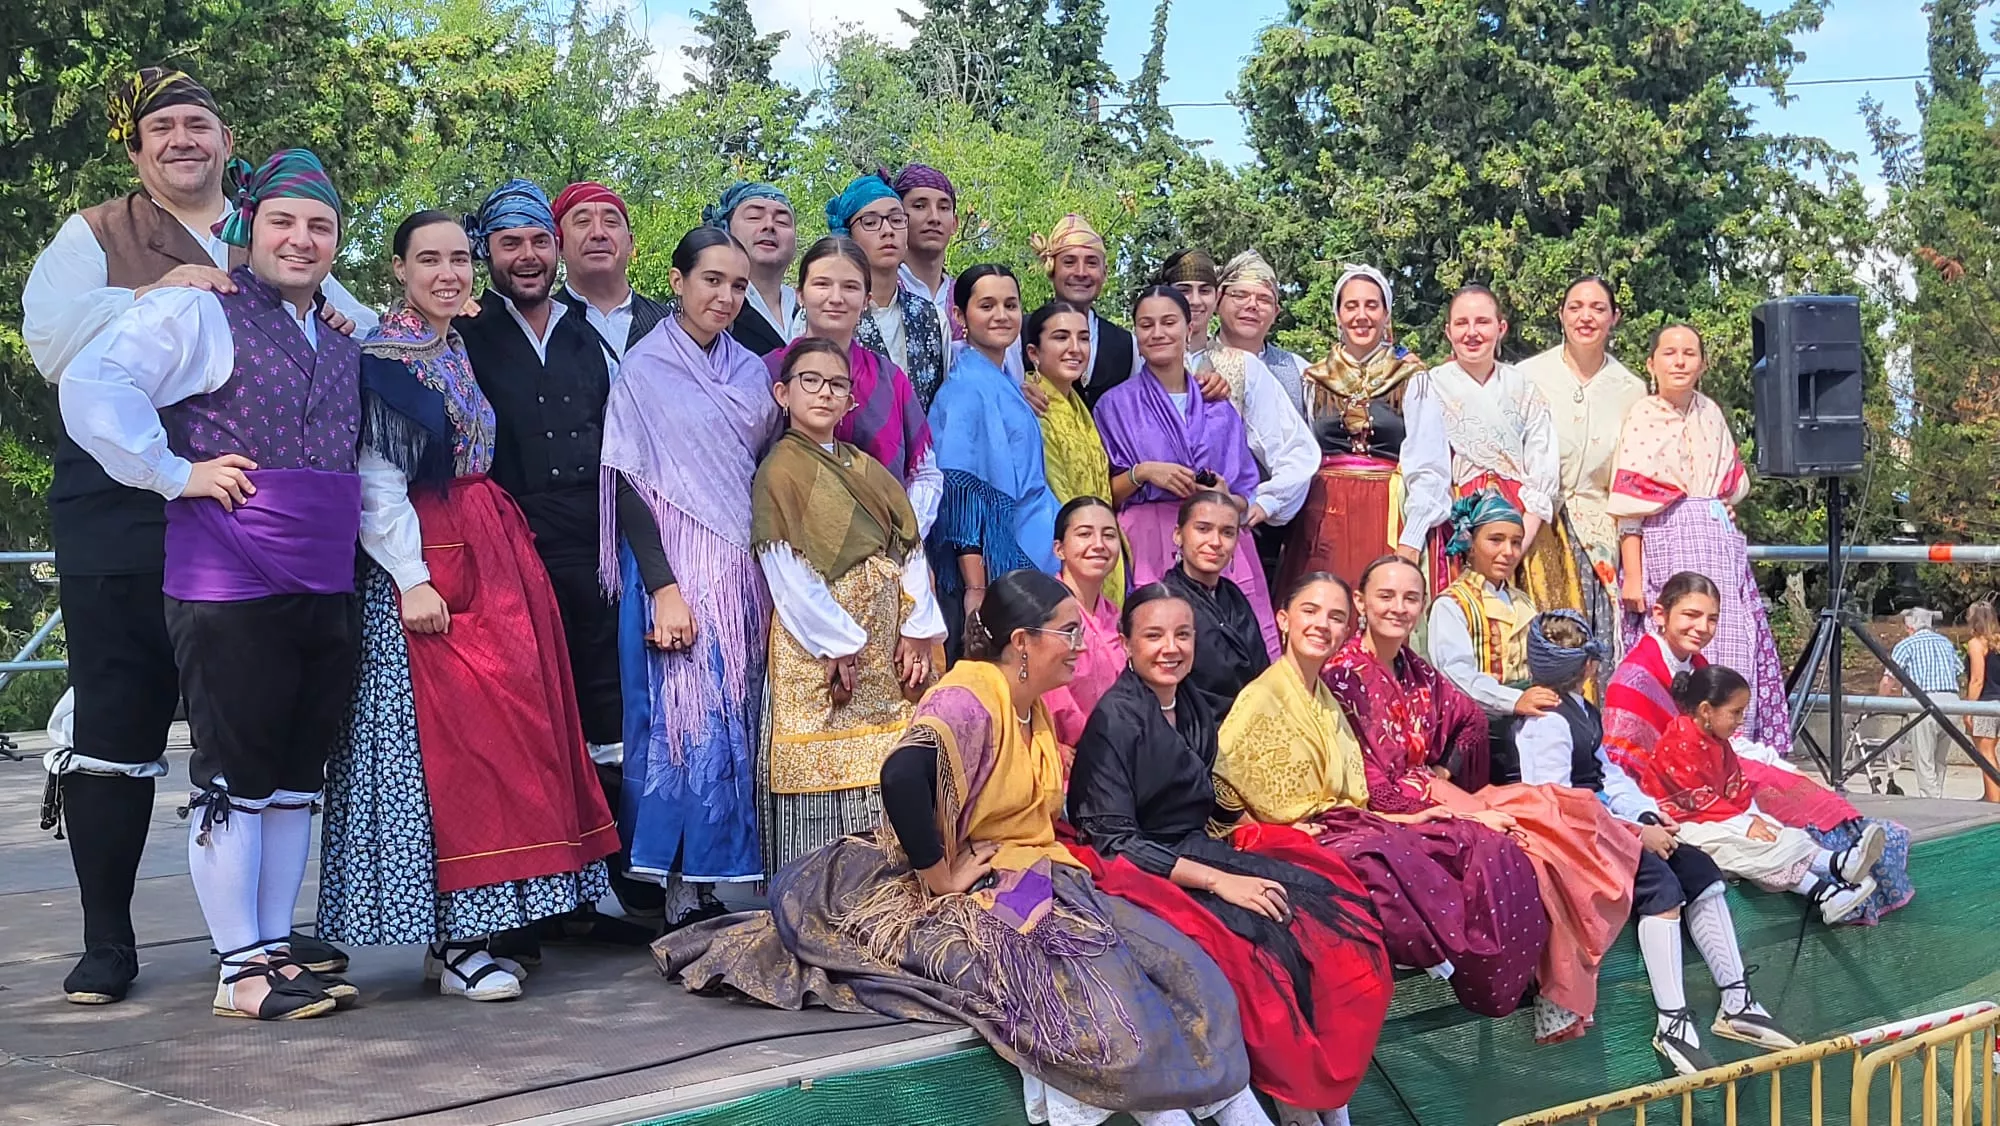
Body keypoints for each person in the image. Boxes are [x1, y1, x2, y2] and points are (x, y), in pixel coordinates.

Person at [659, 570, 1260, 1126]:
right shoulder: (971, 693)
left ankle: (1212, 1100)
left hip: (1030, 870)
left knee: (1176, 964)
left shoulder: (1030, 706)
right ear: (1022, 641)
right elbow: (901, 775)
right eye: (1069, 632)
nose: (1082, 646)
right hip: (969, 882)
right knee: (1089, 988)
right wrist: (941, 876)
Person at [24, 68, 370, 1003]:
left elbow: (344, 358)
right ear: (135, 150)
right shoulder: (98, 236)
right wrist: (157, 291)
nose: (182, 138)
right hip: (127, 507)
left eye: (200, 123)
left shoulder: (288, 244)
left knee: (263, 739)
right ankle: (110, 941)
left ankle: (262, 939)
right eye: (161, 126)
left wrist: (348, 312)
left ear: (227, 143)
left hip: (258, 528)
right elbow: (55, 346)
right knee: (119, 714)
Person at [319, 210, 617, 1000]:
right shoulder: (384, 356)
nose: (449, 272)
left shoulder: (449, 342)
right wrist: (412, 576)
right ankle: (453, 942)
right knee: (451, 750)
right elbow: (378, 479)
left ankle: (477, 931)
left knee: (503, 741)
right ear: (398, 269)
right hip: (430, 556)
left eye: (458, 258)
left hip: (487, 544)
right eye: (430, 260)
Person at [1068, 584, 1393, 1126]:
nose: (1170, 648)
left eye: (1182, 634)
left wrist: (1241, 836)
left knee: (1320, 915)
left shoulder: (1191, 703)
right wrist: (1219, 881)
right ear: (1125, 643)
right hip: (1141, 867)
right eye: (1153, 636)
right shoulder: (1116, 721)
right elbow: (1114, 840)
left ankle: (1316, 1099)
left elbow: (1210, 795)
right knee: (1258, 945)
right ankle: (1294, 1095)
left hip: (1198, 847)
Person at [1325, 554, 1643, 1045]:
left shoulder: (1417, 669)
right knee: (1517, 844)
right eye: (1385, 596)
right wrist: (1448, 802)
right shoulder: (1343, 675)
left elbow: (1469, 719)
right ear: (1361, 602)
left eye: (1410, 598)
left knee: (1546, 827)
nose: (1398, 608)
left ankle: (1564, 984)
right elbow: (1371, 780)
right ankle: (1545, 984)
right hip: (1380, 803)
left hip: (1427, 785)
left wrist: (1445, 769)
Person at [457, 178, 658, 939]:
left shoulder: (587, 335)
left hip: (594, 541)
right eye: (512, 243)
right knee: (527, 714)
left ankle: (619, 873)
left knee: (606, 706)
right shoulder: (468, 336)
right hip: (507, 544)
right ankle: (540, 896)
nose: (530, 256)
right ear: (489, 253)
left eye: (540, 240)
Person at [1215, 568, 1551, 1021]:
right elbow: (1242, 790)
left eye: (1334, 617)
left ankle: (1501, 971)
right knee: (1386, 853)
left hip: (1351, 818)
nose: (1322, 625)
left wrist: (1424, 805)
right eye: (1310, 612)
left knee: (1477, 842)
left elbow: (1352, 796)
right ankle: (1449, 953)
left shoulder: (1326, 697)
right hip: (1294, 835)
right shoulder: (1266, 697)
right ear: (1282, 619)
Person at [1513, 611, 1797, 1074]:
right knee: (1660, 888)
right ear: (1586, 667)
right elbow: (1557, 803)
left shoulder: (1582, 711)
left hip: (1608, 822)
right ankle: (1672, 1022)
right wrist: (1633, 834)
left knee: (1701, 872)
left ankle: (1737, 1000)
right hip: (1575, 838)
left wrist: (1645, 812)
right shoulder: (1546, 722)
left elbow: (1607, 775)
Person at [604, 227, 784, 921]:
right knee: (683, 723)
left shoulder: (751, 371)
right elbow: (626, 481)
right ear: (676, 282)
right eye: (712, 279)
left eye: (739, 285)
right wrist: (664, 589)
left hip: (739, 568)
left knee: (734, 718)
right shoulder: (645, 370)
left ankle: (716, 882)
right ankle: (680, 891)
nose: (727, 296)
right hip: (674, 566)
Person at [1603, 571, 1916, 925]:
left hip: (1711, 774)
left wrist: (1762, 775)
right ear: (1661, 615)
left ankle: (1843, 860)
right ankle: (1828, 878)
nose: (1702, 627)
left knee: (1789, 787)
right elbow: (1623, 768)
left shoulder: (1698, 668)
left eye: (1712, 619)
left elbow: (1724, 741)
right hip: (1666, 801)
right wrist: (1740, 818)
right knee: (1765, 817)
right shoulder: (1635, 680)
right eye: (1691, 615)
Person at [752, 338, 944, 872]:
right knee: (824, 788)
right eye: (810, 381)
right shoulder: (779, 472)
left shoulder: (866, 467)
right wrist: (837, 642)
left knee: (889, 768)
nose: (824, 393)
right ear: (783, 393)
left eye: (837, 385)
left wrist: (918, 628)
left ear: (850, 403)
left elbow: (908, 548)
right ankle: (817, 895)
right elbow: (785, 567)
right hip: (818, 645)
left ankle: (891, 892)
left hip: (887, 643)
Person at [1609, 323, 1789, 749]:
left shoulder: (1710, 413)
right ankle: (1676, 747)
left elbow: (1729, 482)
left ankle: (1734, 745)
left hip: (1718, 544)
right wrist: (1633, 576)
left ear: (1703, 364)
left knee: (1730, 639)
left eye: (1689, 353)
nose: (1680, 361)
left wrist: (1722, 505)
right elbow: (1630, 509)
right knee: (1676, 640)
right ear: (1651, 363)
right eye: (1669, 353)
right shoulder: (1643, 416)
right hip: (1668, 538)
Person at [1618, 666, 1888, 925]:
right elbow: (1698, 801)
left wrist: (1752, 819)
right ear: (1705, 711)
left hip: (1713, 819)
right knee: (1751, 848)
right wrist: (1746, 824)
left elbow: (1735, 789)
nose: (1739, 721)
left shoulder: (1717, 741)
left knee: (1778, 834)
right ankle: (1831, 880)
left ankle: (1833, 879)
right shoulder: (1678, 744)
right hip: (1679, 827)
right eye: (1735, 713)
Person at [1094, 287, 1278, 653]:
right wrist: (1143, 473)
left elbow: (1245, 497)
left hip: (1217, 541)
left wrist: (1225, 497)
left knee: (1232, 653)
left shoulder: (1218, 408)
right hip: (1148, 542)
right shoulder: (1115, 406)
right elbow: (1102, 495)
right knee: (1161, 646)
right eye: (1146, 325)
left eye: (1168, 322)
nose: (1157, 333)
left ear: (1189, 327)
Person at [1402, 286, 1579, 615]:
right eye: (1461, 323)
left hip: (1523, 521)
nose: (1472, 333)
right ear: (1448, 332)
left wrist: (1518, 544)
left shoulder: (1523, 387)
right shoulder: (1430, 385)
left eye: (1482, 322)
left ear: (1501, 328)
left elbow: (1543, 467)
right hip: (1459, 522)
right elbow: (1426, 466)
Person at [1280, 265, 1445, 591]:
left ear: (1386, 315)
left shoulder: (1411, 377)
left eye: (1372, 305)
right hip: (1324, 517)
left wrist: (1411, 536)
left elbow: (1429, 462)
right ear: (1338, 315)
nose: (1361, 315)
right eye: (1351, 306)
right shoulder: (1314, 379)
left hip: (1385, 513)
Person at [767, 237, 940, 538]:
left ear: (867, 299)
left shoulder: (888, 379)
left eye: (850, 287)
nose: (836, 298)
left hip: (885, 543)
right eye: (822, 284)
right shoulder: (769, 371)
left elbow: (924, 473)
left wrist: (906, 540)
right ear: (799, 295)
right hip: (790, 546)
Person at [927, 265, 1059, 656]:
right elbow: (963, 493)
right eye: (987, 305)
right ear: (960, 316)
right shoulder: (968, 388)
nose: (1001, 315)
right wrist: (976, 588)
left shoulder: (1001, 380)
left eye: (1010, 305)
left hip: (1031, 550)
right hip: (998, 568)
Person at [1520, 277, 1644, 661]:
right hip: (1532, 525)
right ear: (1561, 315)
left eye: (1597, 308)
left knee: (1589, 645)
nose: (1585, 317)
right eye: (1575, 307)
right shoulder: (1526, 376)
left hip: (1597, 531)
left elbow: (1638, 474)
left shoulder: (1632, 389)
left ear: (1614, 318)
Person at [1428, 490, 1549, 783]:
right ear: (1470, 545)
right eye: (1496, 540)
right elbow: (1456, 675)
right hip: (1481, 731)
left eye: (1515, 542)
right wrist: (1513, 700)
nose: (1508, 551)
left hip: (1523, 719)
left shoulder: (1524, 601)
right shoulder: (1453, 604)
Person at [1023, 299, 1126, 606]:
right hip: (1056, 556)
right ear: (1033, 353)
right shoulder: (1030, 404)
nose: (1075, 348)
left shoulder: (1079, 407)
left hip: (1096, 549)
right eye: (1061, 337)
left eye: (1083, 338)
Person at [825, 172, 946, 408]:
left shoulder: (931, 317)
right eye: (870, 222)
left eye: (897, 220)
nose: (887, 230)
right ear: (849, 235)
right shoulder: (825, 313)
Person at [1164, 492, 1274, 716]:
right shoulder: (1166, 603)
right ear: (1178, 535)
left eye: (1227, 532)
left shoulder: (1233, 597)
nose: (1215, 542)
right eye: (1203, 529)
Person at [1026, 214, 1139, 407]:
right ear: (1052, 269)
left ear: (1104, 273)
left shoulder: (1127, 344)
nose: (1081, 273)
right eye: (1069, 262)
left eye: (1092, 263)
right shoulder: (1021, 333)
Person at [1044, 497, 1128, 750]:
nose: (1099, 545)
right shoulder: (1043, 612)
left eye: (1109, 535)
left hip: (1122, 752)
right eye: (1084, 534)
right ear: (1059, 549)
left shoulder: (1118, 616)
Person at [552, 181, 672, 358]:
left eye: (611, 222)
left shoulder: (669, 325)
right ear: (559, 246)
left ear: (630, 243)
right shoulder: (542, 325)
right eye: (583, 222)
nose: (598, 233)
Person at [1879, 606, 1966, 800]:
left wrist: (1879, 703)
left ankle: (1931, 801)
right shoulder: (1946, 643)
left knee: (1924, 759)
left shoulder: (1906, 645)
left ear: (1910, 627)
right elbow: (1959, 671)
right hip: (1952, 703)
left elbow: (1888, 679)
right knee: (1939, 759)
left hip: (1924, 703)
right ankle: (1937, 795)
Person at [705, 181, 799, 356]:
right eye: (754, 217)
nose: (769, 225)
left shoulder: (812, 307)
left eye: (782, 221)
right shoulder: (707, 306)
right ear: (726, 230)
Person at [1215, 250, 1311, 416]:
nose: (1252, 305)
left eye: (1264, 299)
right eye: (1240, 295)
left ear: (1275, 312)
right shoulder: (1188, 366)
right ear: (1217, 301)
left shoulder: (1301, 374)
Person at [892, 163, 959, 347]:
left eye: (944, 208)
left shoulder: (966, 298)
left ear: (955, 223)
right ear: (898, 218)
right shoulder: (884, 293)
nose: (934, 218)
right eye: (920, 206)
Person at [1963, 601, 2000, 802]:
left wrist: (1968, 708)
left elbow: (1977, 679)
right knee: (1992, 751)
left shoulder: (1976, 643)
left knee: (1985, 753)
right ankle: (1990, 794)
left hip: (1985, 704)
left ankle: (1995, 800)